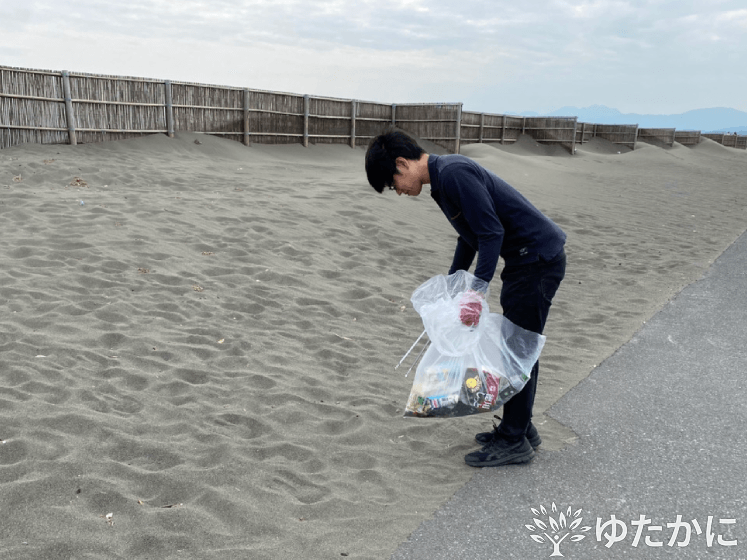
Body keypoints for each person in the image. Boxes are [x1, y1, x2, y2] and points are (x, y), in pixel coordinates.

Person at [365, 129, 567, 468]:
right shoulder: (441, 180)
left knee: (519, 347)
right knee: (516, 344)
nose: (398, 191)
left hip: (536, 260)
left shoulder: (453, 173)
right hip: (527, 260)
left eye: (392, 183)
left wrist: (476, 292)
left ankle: (514, 439)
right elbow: (469, 236)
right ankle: (520, 428)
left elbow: (491, 233)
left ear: (402, 164)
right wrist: (455, 282)